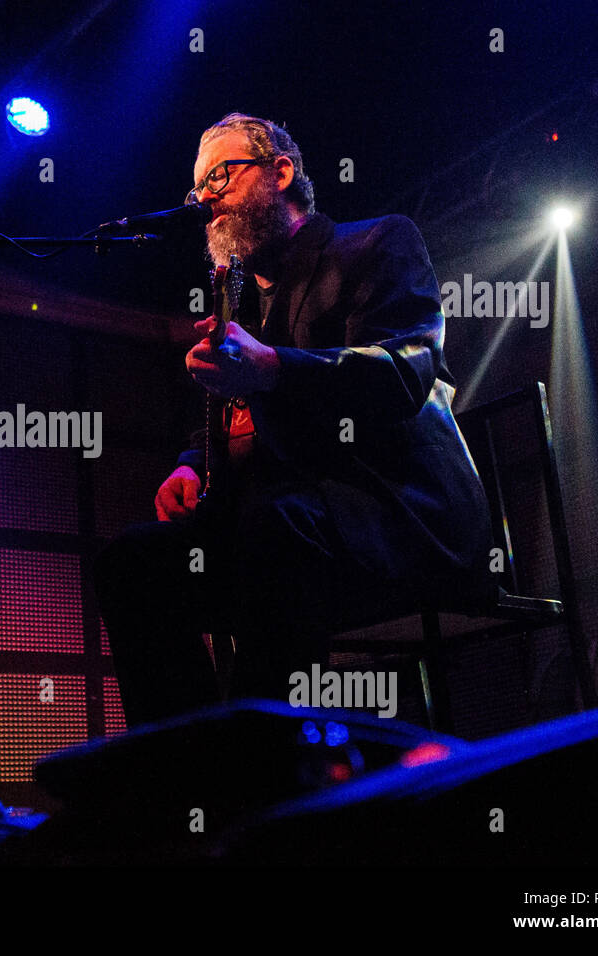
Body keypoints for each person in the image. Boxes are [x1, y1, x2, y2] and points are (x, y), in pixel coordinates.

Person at [93, 113, 492, 727]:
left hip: (393, 513)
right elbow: (225, 420)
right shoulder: (240, 305)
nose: (205, 200)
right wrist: (191, 465)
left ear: (281, 171)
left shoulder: (377, 241)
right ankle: (186, 770)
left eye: (221, 176)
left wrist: (274, 367)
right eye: (196, 191)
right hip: (290, 529)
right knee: (132, 564)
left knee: (272, 527)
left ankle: (263, 774)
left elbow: (403, 372)